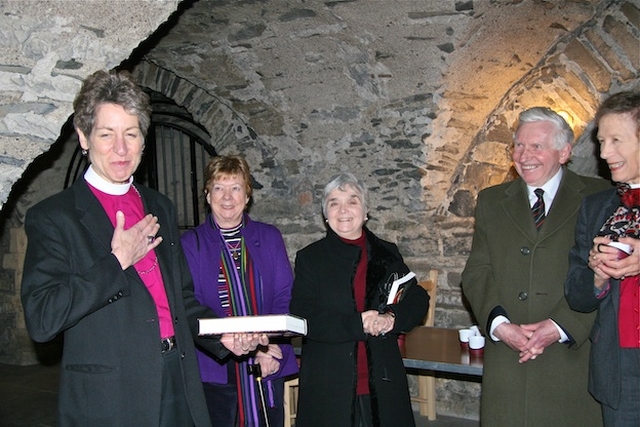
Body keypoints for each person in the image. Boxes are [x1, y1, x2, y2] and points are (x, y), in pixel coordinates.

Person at [20, 69, 266, 427]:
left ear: (143, 141)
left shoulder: (159, 206)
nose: (121, 149)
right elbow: (43, 319)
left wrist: (222, 335)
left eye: (131, 134)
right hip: (112, 397)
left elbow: (181, 301)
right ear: (83, 138)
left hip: (177, 382)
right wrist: (116, 261)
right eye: (107, 135)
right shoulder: (55, 217)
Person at [461, 107, 611, 426]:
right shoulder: (491, 200)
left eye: (537, 146)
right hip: (508, 359)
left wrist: (558, 326)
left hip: (570, 356)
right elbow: (477, 272)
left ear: (565, 151)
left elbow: (606, 274)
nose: (524, 155)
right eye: (518, 145)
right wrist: (500, 325)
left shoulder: (599, 197)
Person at [289, 172, 429, 427]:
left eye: (352, 201)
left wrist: (391, 318)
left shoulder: (387, 253)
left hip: (382, 381)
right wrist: (357, 324)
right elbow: (304, 314)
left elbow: (416, 298)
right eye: (334, 202)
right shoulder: (310, 258)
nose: (343, 210)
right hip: (329, 384)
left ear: (366, 211)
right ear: (325, 214)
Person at [181, 155, 298, 427]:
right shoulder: (191, 243)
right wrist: (229, 340)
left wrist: (268, 348)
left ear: (247, 196)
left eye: (236, 188)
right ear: (207, 195)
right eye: (219, 188)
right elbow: (191, 302)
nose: (227, 197)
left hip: (267, 358)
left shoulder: (269, 237)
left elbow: (285, 297)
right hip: (214, 364)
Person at [565, 91, 640, 426]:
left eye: (616, 140)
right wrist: (596, 276)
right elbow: (576, 295)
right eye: (600, 141)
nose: (604, 153)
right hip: (620, 366)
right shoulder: (596, 208)